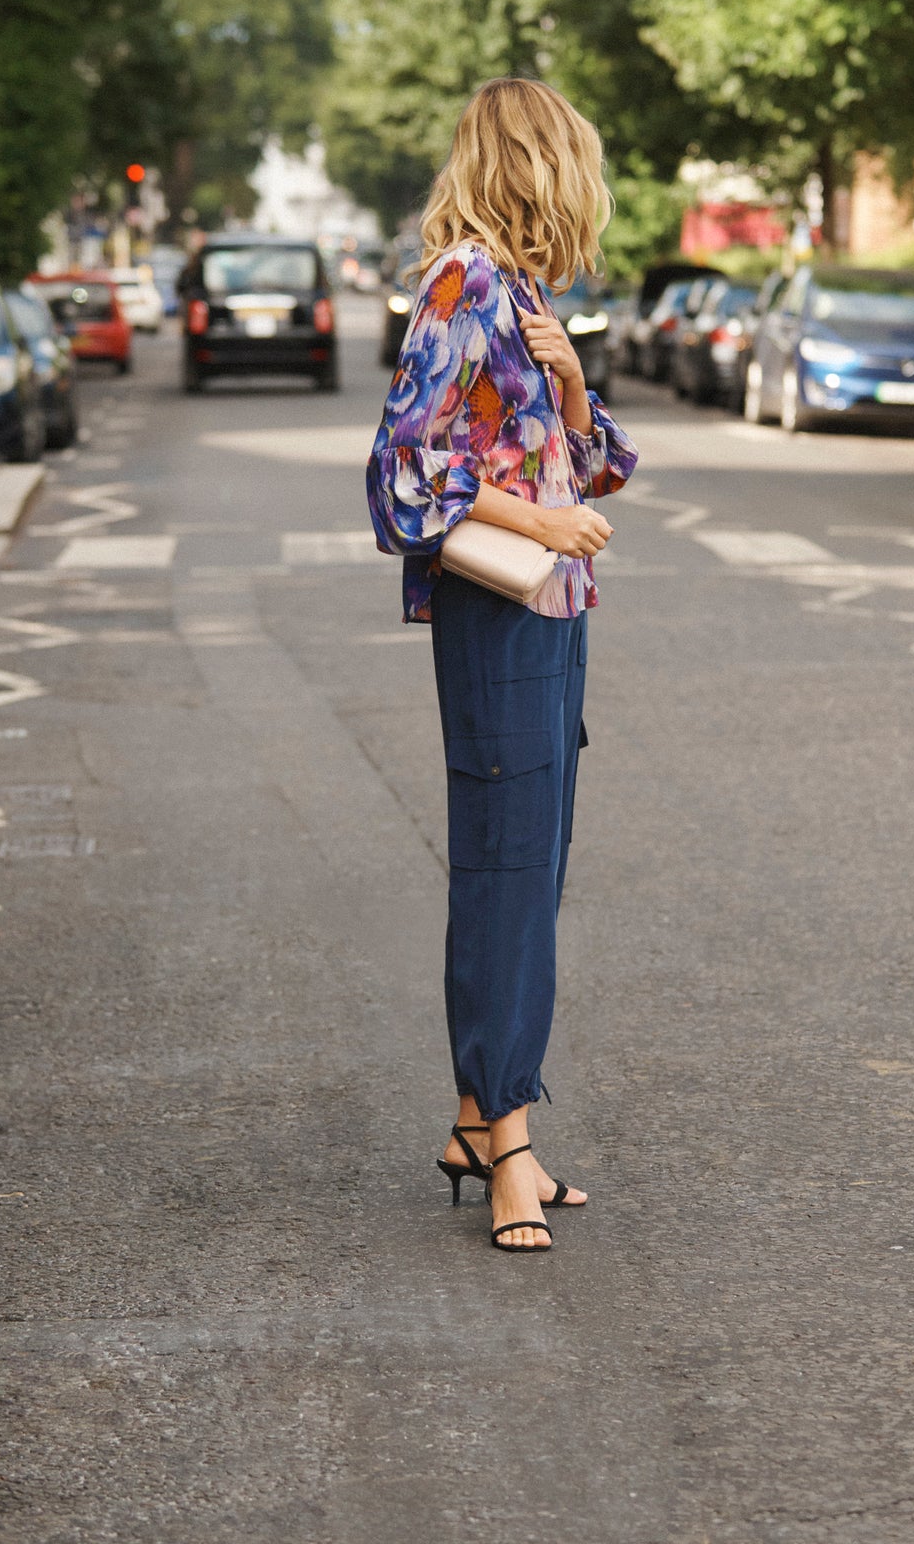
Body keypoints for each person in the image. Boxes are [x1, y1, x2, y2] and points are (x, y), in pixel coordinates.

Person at [366, 77, 638, 1253]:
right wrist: (538, 524)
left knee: (533, 865)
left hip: (554, 614)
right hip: (503, 612)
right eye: (577, 158)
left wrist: (573, 385)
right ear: (540, 165)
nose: (592, 183)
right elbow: (396, 475)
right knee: (508, 871)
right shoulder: (465, 281)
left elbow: (598, 465)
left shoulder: (518, 293)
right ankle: (510, 1146)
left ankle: (480, 1121)